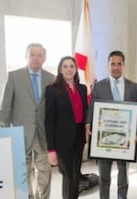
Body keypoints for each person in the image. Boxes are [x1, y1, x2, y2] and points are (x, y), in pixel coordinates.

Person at [0, 43, 54, 199]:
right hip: (21, 134)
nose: (35, 58)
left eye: (39, 55)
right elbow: (5, 108)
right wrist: (4, 133)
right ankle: (28, 196)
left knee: (44, 171)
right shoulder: (14, 76)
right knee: (23, 172)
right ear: (26, 56)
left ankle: (42, 197)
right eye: (32, 54)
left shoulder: (51, 78)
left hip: (43, 134)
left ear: (44, 58)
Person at [85, 50, 137, 199]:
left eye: (119, 64)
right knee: (104, 177)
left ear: (123, 65)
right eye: (112, 63)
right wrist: (88, 124)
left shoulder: (133, 87)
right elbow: (92, 107)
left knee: (123, 177)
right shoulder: (99, 86)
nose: (116, 67)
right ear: (108, 65)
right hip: (103, 140)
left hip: (124, 140)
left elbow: (136, 111)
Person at [45, 56, 88, 199]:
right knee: (69, 175)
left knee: (75, 174)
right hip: (62, 141)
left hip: (79, 139)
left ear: (76, 69)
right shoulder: (52, 90)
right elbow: (49, 121)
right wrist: (50, 149)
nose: (69, 69)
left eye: (72, 66)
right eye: (65, 66)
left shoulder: (82, 89)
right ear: (60, 70)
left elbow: (86, 112)